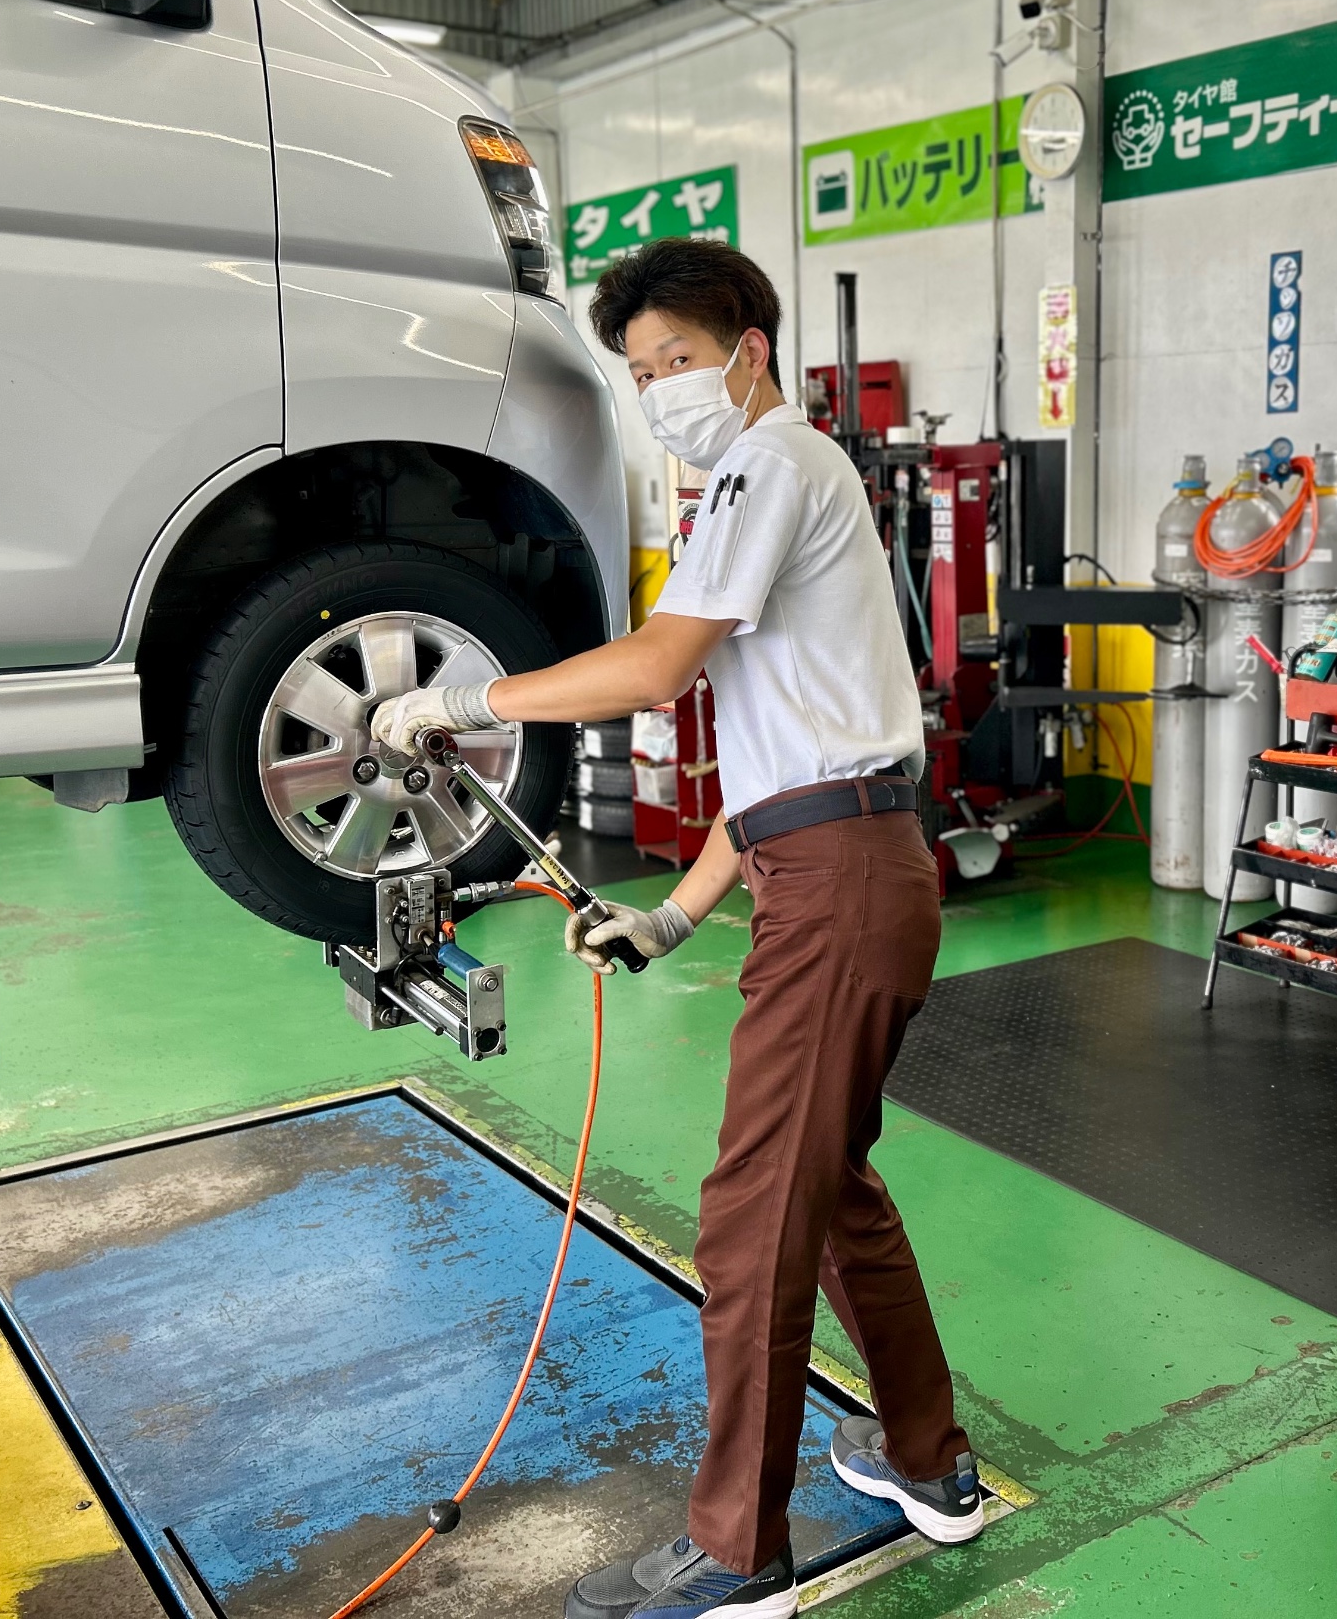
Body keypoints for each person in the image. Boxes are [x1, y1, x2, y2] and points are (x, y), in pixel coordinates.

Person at [369, 238, 979, 1619]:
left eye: (678, 362)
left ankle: (738, 1551)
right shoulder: (768, 485)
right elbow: (781, 770)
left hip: (841, 883)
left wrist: (462, 702)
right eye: (641, 375)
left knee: (751, 1221)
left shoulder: (773, 464)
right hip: (837, 860)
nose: (660, 393)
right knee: (832, 1189)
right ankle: (928, 1461)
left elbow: (655, 671)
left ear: (749, 351)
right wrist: (675, 916)